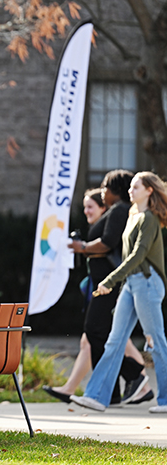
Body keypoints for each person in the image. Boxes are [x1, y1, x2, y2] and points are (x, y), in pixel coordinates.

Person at [70, 172, 167, 413]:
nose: (131, 191)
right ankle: (96, 396)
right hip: (132, 283)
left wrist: (111, 280)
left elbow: (138, 255)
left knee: (155, 341)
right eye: (131, 187)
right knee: (114, 340)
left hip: (147, 282)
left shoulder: (149, 219)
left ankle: (166, 399)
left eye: (136, 187)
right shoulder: (133, 215)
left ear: (149, 191)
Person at [44, 186, 151, 404]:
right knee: (96, 339)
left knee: (102, 337)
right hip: (102, 286)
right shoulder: (109, 221)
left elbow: (110, 246)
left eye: (90, 206)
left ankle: (136, 378)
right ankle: (110, 391)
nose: (86, 211)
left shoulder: (117, 215)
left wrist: (83, 247)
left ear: (104, 208)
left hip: (109, 287)